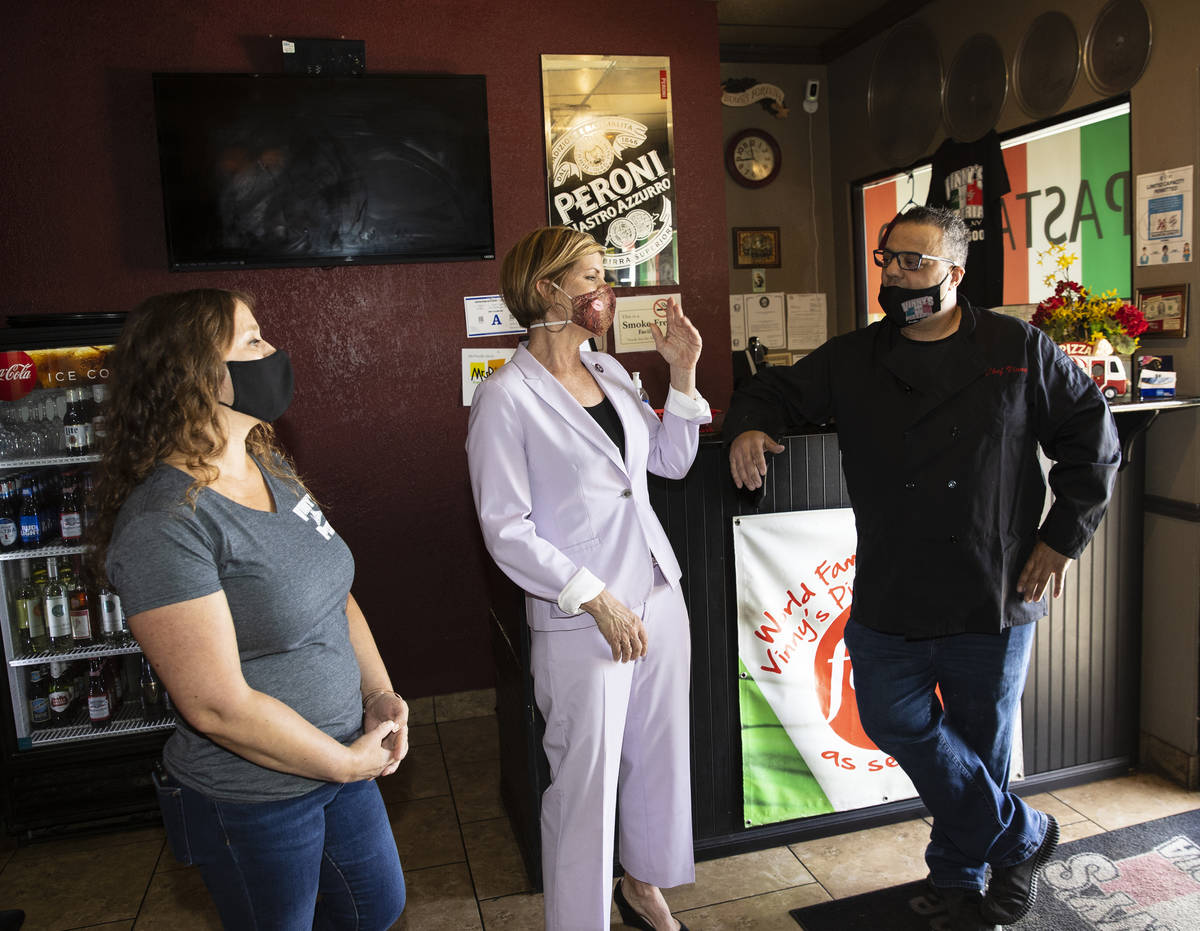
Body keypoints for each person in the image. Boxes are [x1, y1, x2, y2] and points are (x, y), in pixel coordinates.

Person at [726, 207, 1119, 931]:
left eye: (914, 262)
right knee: (890, 716)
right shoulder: (852, 357)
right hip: (892, 587)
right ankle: (1023, 838)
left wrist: (1061, 539)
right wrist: (752, 422)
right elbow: (772, 391)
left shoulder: (1017, 347)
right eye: (888, 259)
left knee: (980, 743)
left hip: (993, 584)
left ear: (955, 274)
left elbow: (1093, 439)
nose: (896, 275)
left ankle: (965, 877)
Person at [89, 289, 408, 930]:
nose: (274, 354)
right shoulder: (165, 525)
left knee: (374, 905)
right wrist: (344, 763)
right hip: (254, 798)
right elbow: (215, 706)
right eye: (253, 341)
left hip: (341, 758)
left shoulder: (269, 466)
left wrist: (378, 693)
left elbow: (333, 595)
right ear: (196, 376)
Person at [467, 227, 709, 931]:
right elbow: (504, 526)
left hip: (658, 591)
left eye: (605, 276)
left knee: (658, 753)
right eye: (592, 277)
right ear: (547, 289)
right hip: (583, 615)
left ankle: (643, 884)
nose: (607, 291)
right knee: (585, 781)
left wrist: (683, 375)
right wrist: (594, 596)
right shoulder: (505, 398)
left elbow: (669, 463)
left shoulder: (609, 371)